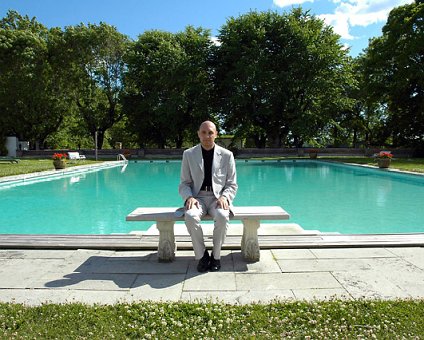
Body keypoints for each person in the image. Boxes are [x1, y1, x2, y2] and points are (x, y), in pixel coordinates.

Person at [179, 121, 238, 272]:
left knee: (223, 216)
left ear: (216, 134)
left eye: (210, 132)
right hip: (197, 197)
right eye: (203, 132)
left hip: (217, 199)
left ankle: (216, 256)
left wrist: (225, 197)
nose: (207, 136)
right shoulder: (188, 154)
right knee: (190, 216)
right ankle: (202, 256)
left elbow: (232, 184)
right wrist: (189, 198)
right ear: (198, 134)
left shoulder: (227, 155)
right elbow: (184, 183)